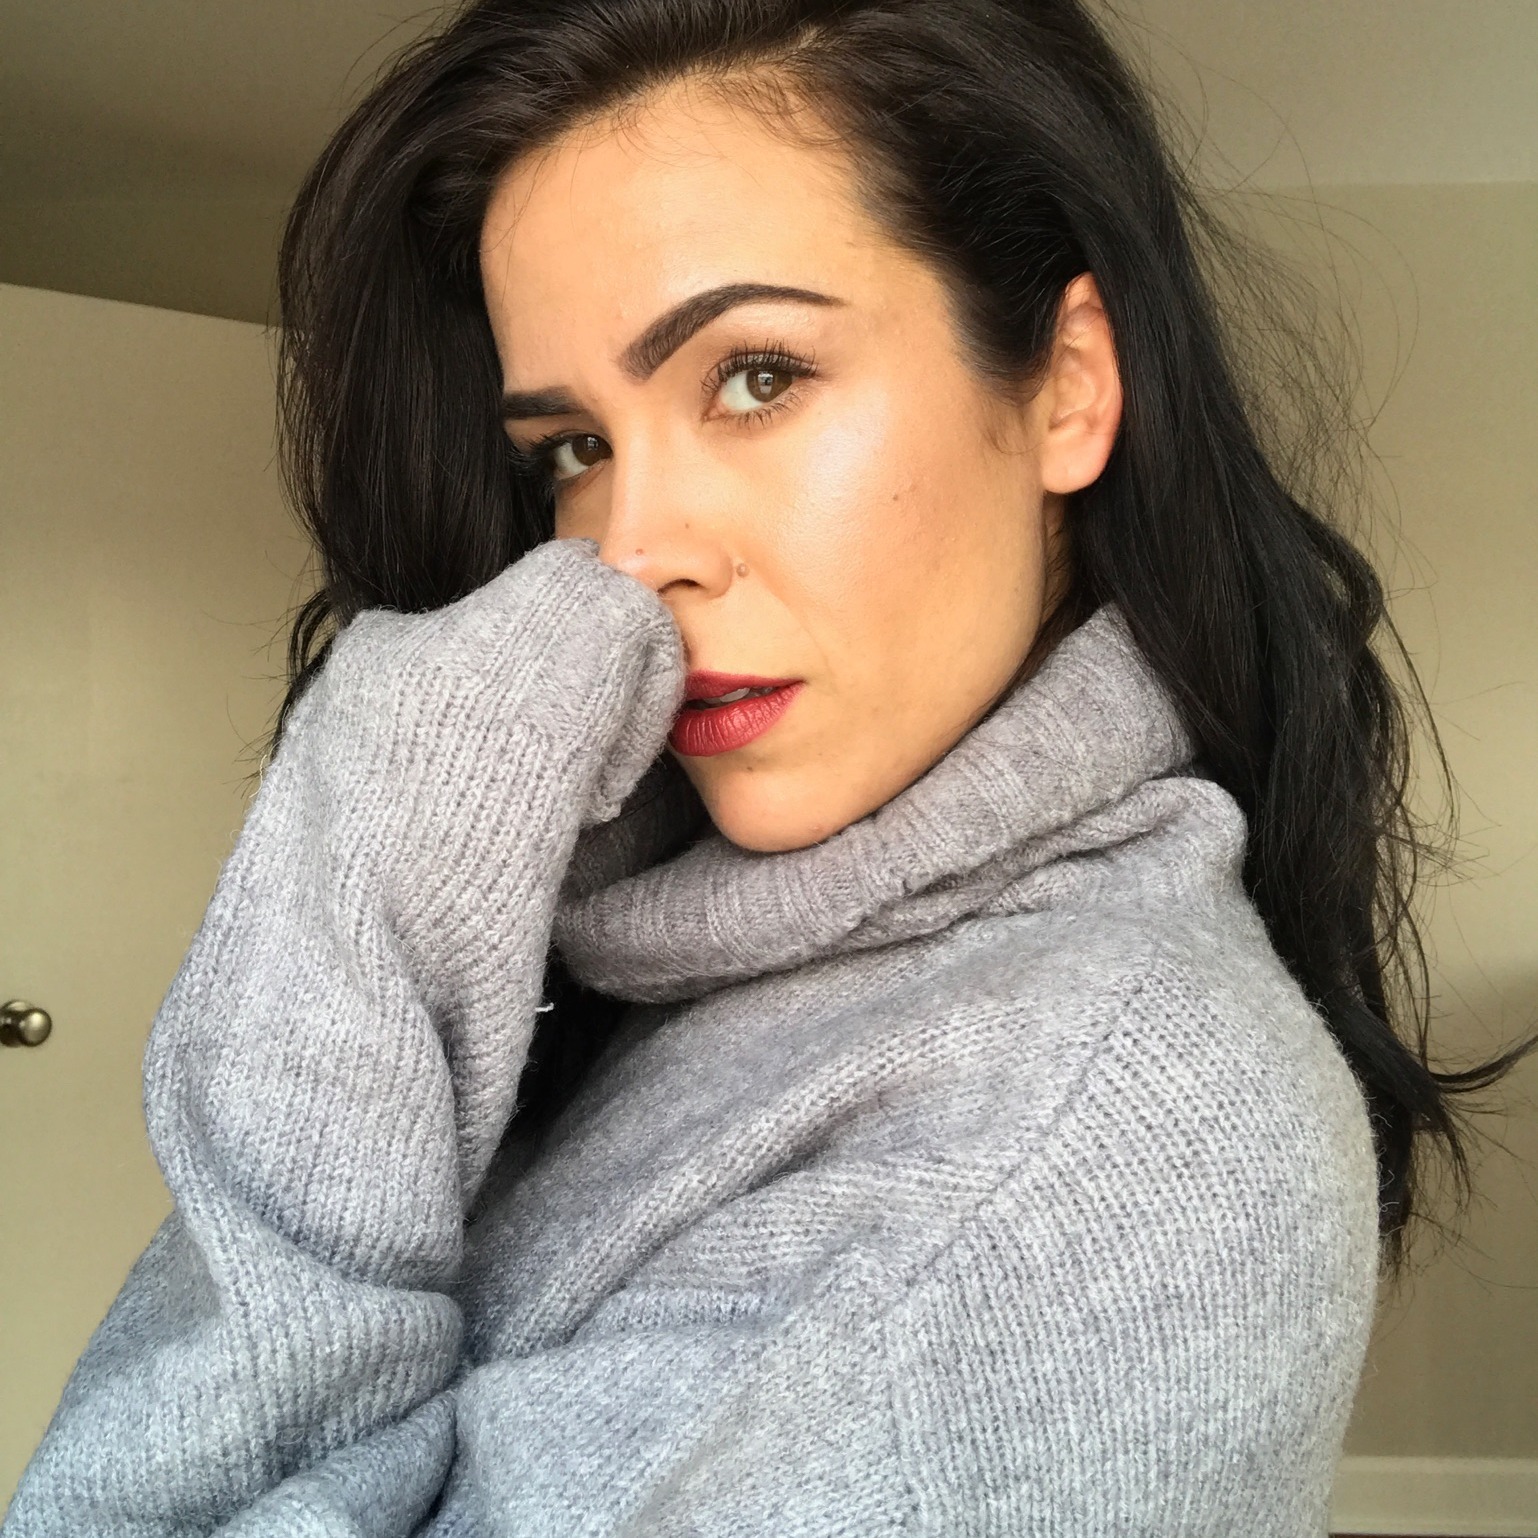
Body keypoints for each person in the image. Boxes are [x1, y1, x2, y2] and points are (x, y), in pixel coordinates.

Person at [7, 0, 1534, 1533]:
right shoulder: (680, 930)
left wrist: (358, 893)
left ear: (1068, 383)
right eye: (570, 448)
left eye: (754, 377)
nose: (629, 554)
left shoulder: (1083, 1131)